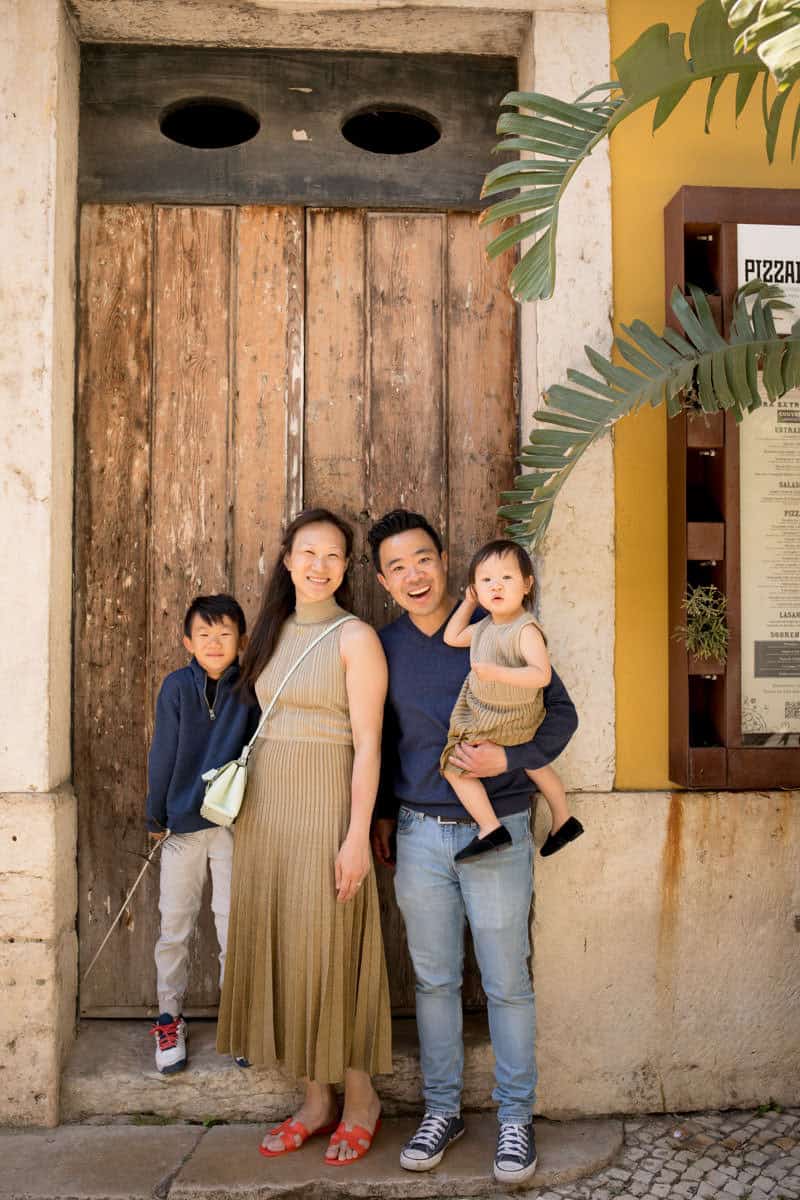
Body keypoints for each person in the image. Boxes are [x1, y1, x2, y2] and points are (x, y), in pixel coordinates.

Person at [367, 509, 578, 1187]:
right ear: (383, 580)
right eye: (397, 566)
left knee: (506, 982)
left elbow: (561, 713)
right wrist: (378, 816)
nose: (413, 575)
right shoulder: (382, 647)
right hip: (421, 834)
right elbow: (371, 739)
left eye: (422, 559)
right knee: (433, 981)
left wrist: (510, 757)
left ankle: (516, 1118)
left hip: (503, 826)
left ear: (444, 560)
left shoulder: (497, 627)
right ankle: (442, 1110)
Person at [216, 508, 392, 1165]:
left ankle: (362, 1098)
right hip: (269, 811)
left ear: (346, 570)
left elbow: (371, 744)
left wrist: (354, 838)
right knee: (292, 951)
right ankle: (316, 1102)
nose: (318, 566)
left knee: (331, 949)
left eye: (333, 557)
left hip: (327, 806)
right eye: (307, 553)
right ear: (287, 560)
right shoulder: (271, 631)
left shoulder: (357, 638)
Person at [146, 593, 259, 1074]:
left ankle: (238, 1021)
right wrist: (156, 816)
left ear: (242, 640)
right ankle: (169, 1016)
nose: (215, 644)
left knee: (233, 924)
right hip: (183, 829)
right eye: (205, 635)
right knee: (175, 925)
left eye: (225, 634)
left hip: (233, 826)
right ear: (187, 640)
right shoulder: (176, 687)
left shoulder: (251, 688)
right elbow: (163, 753)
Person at [441, 538, 584, 862]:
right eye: (486, 580)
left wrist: (497, 673)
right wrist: (467, 604)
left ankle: (490, 828)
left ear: (527, 583)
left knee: (454, 765)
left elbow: (541, 675)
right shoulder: (485, 626)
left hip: (511, 714)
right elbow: (451, 637)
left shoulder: (524, 630)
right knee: (536, 765)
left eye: (506, 578)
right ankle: (563, 819)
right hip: (494, 714)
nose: (496, 586)